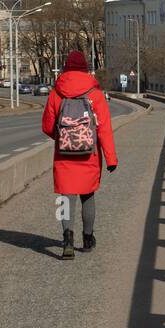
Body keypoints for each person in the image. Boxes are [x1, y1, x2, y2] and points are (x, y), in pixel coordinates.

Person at [42, 50, 117, 259]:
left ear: (66, 68)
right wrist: (111, 158)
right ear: (86, 69)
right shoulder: (95, 94)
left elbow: (47, 126)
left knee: (66, 198)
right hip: (89, 155)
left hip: (64, 155)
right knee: (88, 195)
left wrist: (63, 138)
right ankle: (87, 237)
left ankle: (67, 240)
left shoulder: (56, 93)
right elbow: (104, 130)